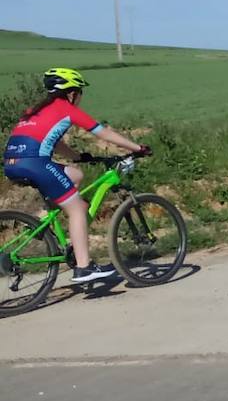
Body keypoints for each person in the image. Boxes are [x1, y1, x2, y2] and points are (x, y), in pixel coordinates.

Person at [3, 68, 148, 282]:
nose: (80, 97)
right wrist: (137, 148)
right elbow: (104, 133)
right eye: (79, 92)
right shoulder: (66, 109)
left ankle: (44, 221)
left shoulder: (34, 110)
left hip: (12, 163)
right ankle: (84, 268)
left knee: (76, 175)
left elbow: (55, 142)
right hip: (36, 164)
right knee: (78, 208)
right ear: (71, 93)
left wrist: (78, 156)